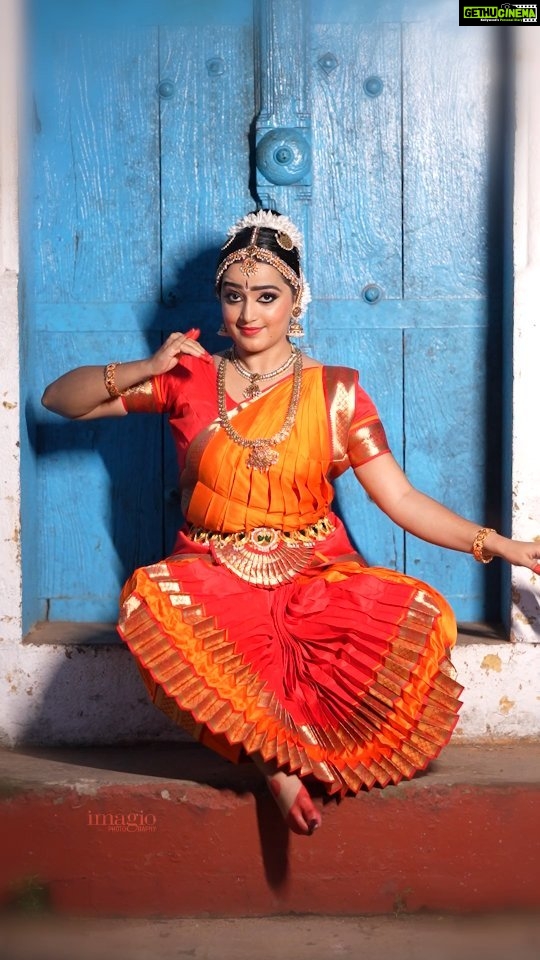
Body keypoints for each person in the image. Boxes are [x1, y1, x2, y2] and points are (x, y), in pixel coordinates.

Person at [42, 209, 540, 836]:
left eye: (267, 297)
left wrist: (501, 545)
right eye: (234, 296)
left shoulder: (337, 393)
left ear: (295, 301)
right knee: (149, 603)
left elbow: (402, 499)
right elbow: (59, 400)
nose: (248, 314)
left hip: (314, 572)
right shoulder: (187, 378)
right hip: (212, 572)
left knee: (421, 615)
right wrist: (146, 367)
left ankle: (295, 754)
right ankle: (275, 766)